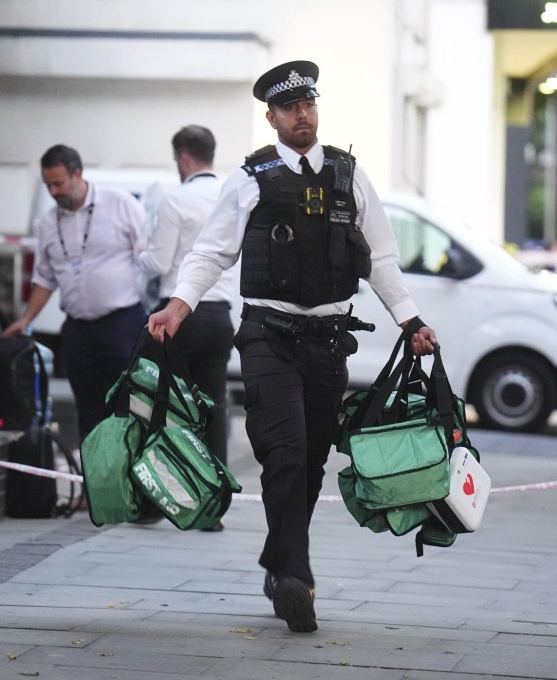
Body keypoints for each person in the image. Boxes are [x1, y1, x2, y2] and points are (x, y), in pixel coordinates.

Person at [147, 60, 438, 633]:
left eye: (308, 104)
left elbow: (380, 258)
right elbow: (209, 254)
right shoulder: (249, 179)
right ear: (272, 117)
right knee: (283, 452)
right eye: (289, 107)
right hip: (267, 334)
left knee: (309, 464)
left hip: (329, 342)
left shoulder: (350, 176)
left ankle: (277, 556)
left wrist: (411, 320)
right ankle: (295, 579)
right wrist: (178, 306)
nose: (302, 114)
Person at [2, 144, 148, 439]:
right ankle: (92, 484)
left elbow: (150, 255)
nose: (53, 192)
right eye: (48, 185)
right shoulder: (47, 223)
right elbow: (45, 276)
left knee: (131, 408)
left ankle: (133, 482)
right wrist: (27, 318)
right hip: (78, 332)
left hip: (122, 324)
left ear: (77, 173)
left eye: (58, 183)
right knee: (88, 412)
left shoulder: (119, 203)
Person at [137, 125, 236, 531]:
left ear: (182, 158)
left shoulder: (176, 199)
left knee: (162, 406)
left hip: (175, 315)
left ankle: (154, 502)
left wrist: (137, 253)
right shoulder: (232, 197)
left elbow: (159, 264)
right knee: (213, 407)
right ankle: (212, 508)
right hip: (220, 316)